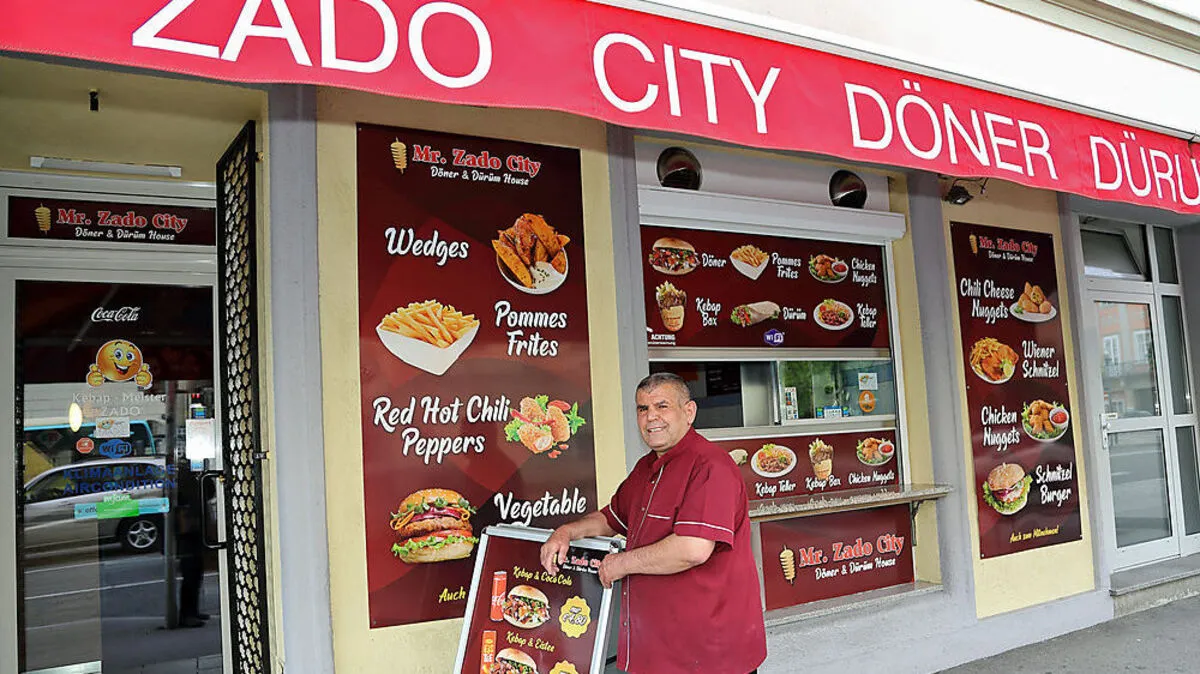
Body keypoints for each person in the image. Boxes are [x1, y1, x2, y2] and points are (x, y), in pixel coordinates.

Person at [541, 372, 767, 674]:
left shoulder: (711, 466)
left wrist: (620, 563)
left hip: (710, 654)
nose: (651, 418)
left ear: (689, 412)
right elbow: (611, 518)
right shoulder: (647, 467)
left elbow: (693, 548)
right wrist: (566, 532)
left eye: (662, 406)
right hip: (657, 649)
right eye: (642, 409)